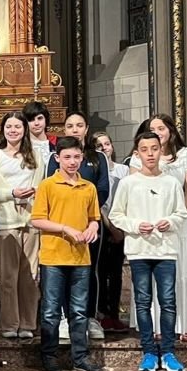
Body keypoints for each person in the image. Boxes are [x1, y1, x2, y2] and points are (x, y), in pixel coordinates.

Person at [108, 131, 187, 371]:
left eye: (154, 148)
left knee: (167, 302)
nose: (150, 154)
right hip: (139, 249)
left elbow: (182, 212)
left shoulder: (171, 182)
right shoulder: (128, 183)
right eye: (145, 149)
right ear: (137, 153)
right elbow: (115, 214)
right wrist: (135, 226)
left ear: (160, 151)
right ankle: (148, 352)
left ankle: (168, 351)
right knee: (142, 302)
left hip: (165, 250)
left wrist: (169, 221)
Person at [127, 114, 187, 341]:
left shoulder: (184, 155)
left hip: (178, 223)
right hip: (148, 224)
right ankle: (154, 325)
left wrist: (177, 217)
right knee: (151, 274)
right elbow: (134, 191)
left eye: (161, 128)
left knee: (182, 271)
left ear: (171, 130)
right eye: (153, 128)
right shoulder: (138, 157)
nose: (158, 132)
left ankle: (185, 324)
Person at [29, 137, 103, 371]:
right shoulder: (48, 185)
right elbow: (37, 219)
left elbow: (94, 217)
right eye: (67, 157)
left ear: (82, 158)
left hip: (80, 257)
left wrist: (93, 227)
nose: (72, 162)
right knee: (50, 310)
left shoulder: (88, 187)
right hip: (54, 256)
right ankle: (49, 356)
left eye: (76, 157)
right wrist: (65, 229)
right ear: (57, 158)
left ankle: (80, 356)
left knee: (79, 310)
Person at [47, 112, 109, 341]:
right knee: (62, 272)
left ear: (86, 128)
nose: (75, 129)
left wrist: (90, 221)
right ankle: (65, 317)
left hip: (90, 225)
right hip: (61, 226)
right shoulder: (55, 159)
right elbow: (49, 192)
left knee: (91, 272)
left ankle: (90, 317)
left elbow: (102, 190)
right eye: (70, 125)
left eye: (79, 125)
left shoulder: (97, 158)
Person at [0, 112, 41, 340]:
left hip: (31, 220)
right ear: (3, 130)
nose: (13, 130)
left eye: (17, 126)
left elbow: (42, 184)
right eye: (9, 127)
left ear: (24, 129)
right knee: (7, 277)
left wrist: (31, 196)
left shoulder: (34, 155)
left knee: (30, 275)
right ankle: (9, 323)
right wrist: (11, 193)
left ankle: (28, 323)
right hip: (6, 223)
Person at [92, 131, 129, 332]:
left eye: (107, 144)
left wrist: (121, 228)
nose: (104, 148)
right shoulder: (95, 169)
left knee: (116, 274)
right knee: (101, 271)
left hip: (122, 227)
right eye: (99, 146)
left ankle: (115, 313)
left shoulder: (124, 170)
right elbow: (99, 203)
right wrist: (111, 227)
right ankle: (102, 313)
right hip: (104, 225)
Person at [23, 101, 55, 168]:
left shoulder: (56, 143)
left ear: (46, 119)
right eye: (31, 120)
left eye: (40, 118)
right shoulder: (21, 145)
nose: (36, 123)